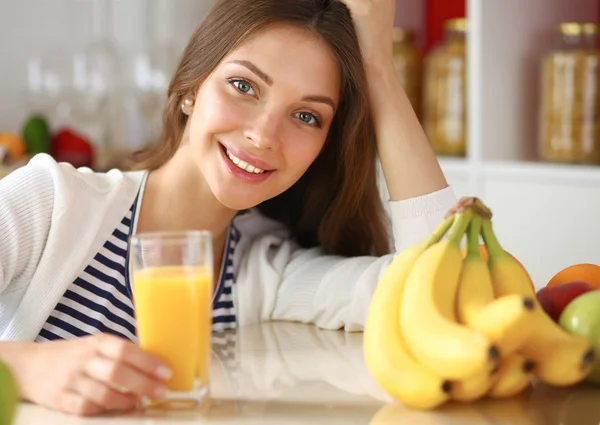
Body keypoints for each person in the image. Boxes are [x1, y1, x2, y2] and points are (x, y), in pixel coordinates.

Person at [0, 0, 456, 417]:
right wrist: (29, 367)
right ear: (191, 88)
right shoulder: (51, 200)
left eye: (306, 116)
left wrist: (378, 67)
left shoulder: (262, 277)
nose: (264, 134)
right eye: (243, 85)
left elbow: (440, 286)